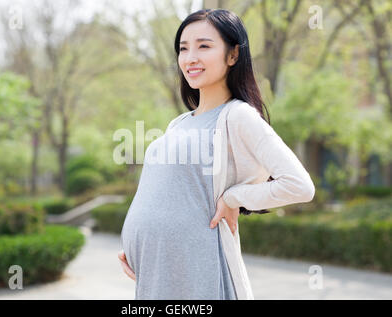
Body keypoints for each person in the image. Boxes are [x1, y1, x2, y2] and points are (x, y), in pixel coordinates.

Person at [118, 8, 314, 300]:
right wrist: (139, 246)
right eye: (183, 49)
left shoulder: (238, 116)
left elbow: (300, 186)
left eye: (204, 46)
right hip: (158, 272)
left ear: (233, 55)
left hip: (199, 273)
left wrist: (234, 197)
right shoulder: (179, 123)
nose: (190, 58)